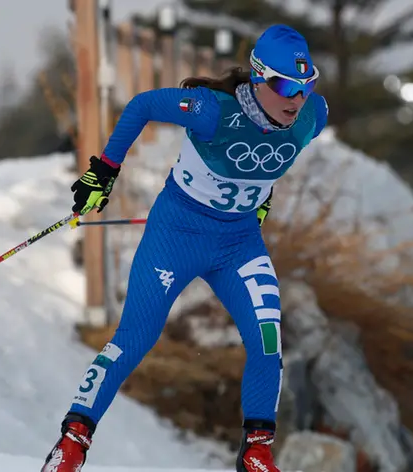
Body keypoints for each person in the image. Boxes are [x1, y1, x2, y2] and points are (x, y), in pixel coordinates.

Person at [40, 23, 328, 472]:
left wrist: (260, 198)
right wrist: (105, 172)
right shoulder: (211, 110)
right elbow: (142, 106)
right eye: (286, 85)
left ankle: (256, 451)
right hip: (176, 235)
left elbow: (270, 162)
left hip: (238, 244)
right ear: (257, 78)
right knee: (135, 337)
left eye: (305, 85)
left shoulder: (313, 116)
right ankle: (73, 441)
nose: (297, 98)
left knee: (268, 339)